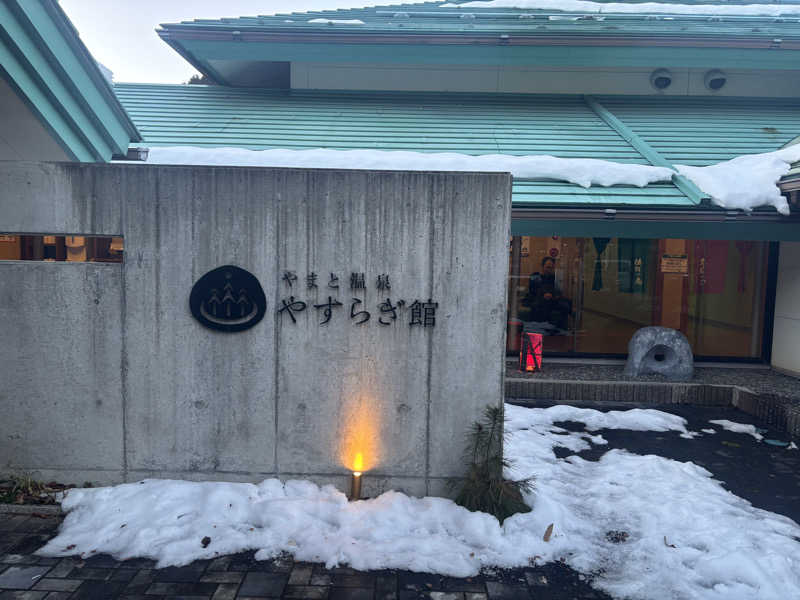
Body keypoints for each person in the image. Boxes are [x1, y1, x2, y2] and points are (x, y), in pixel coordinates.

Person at [523, 256, 572, 332]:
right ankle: (543, 327)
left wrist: (553, 295)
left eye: (552, 268)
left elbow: (558, 290)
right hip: (537, 298)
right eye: (548, 267)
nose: (549, 270)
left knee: (566, 303)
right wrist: (544, 294)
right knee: (543, 303)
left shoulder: (554, 278)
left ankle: (562, 329)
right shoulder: (535, 276)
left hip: (552, 299)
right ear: (542, 267)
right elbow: (533, 290)